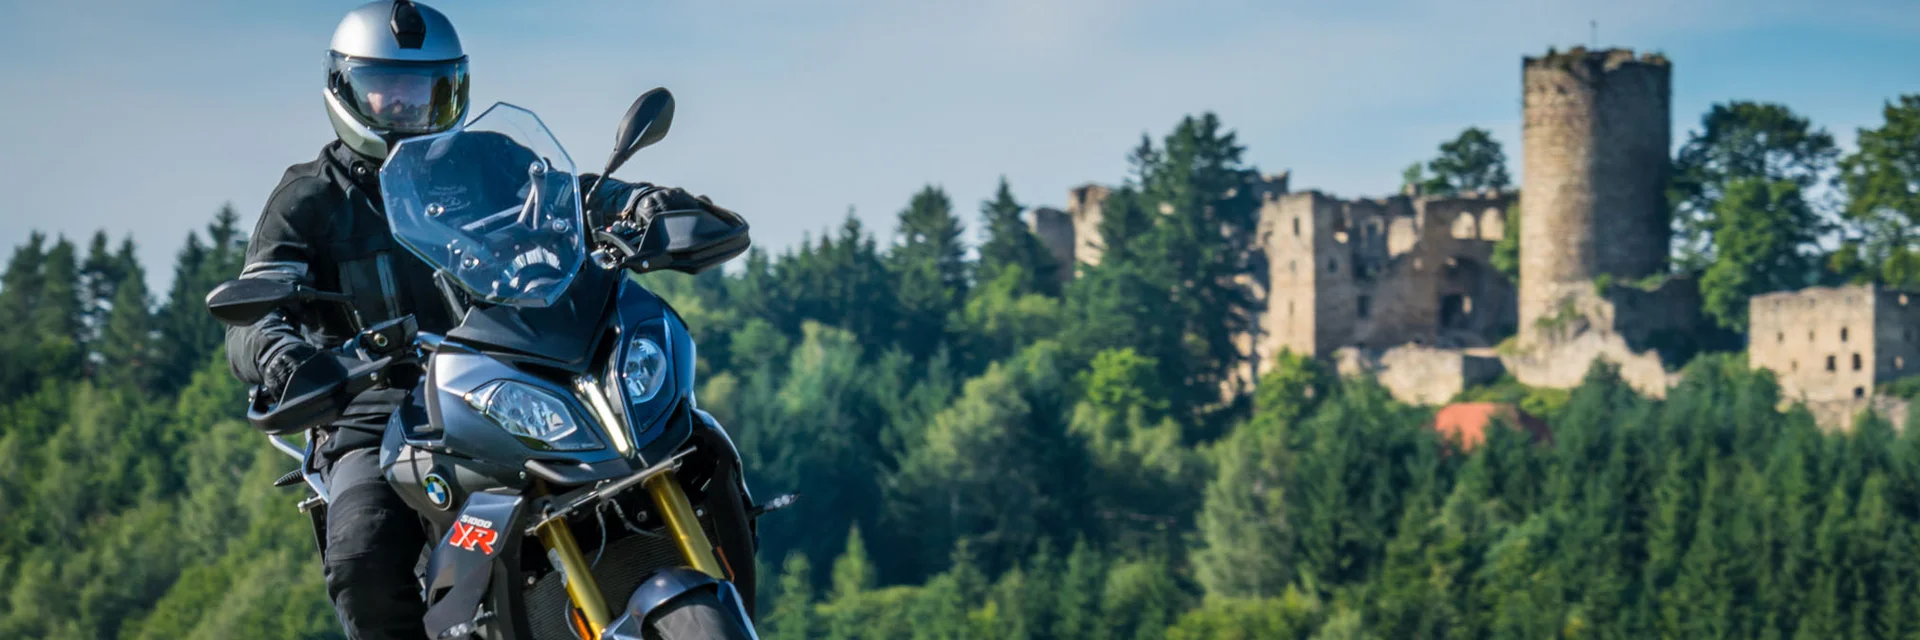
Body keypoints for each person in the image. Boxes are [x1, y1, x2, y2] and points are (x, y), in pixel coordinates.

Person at [222, 2, 717, 638]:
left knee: (693, 438)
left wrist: (637, 203)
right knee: (362, 556)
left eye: (428, 89)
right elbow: (254, 310)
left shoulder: (488, 162)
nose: (408, 106)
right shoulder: (308, 200)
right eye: (387, 90)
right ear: (346, 91)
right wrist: (278, 353)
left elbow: (570, 195)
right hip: (380, 410)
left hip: (519, 371)